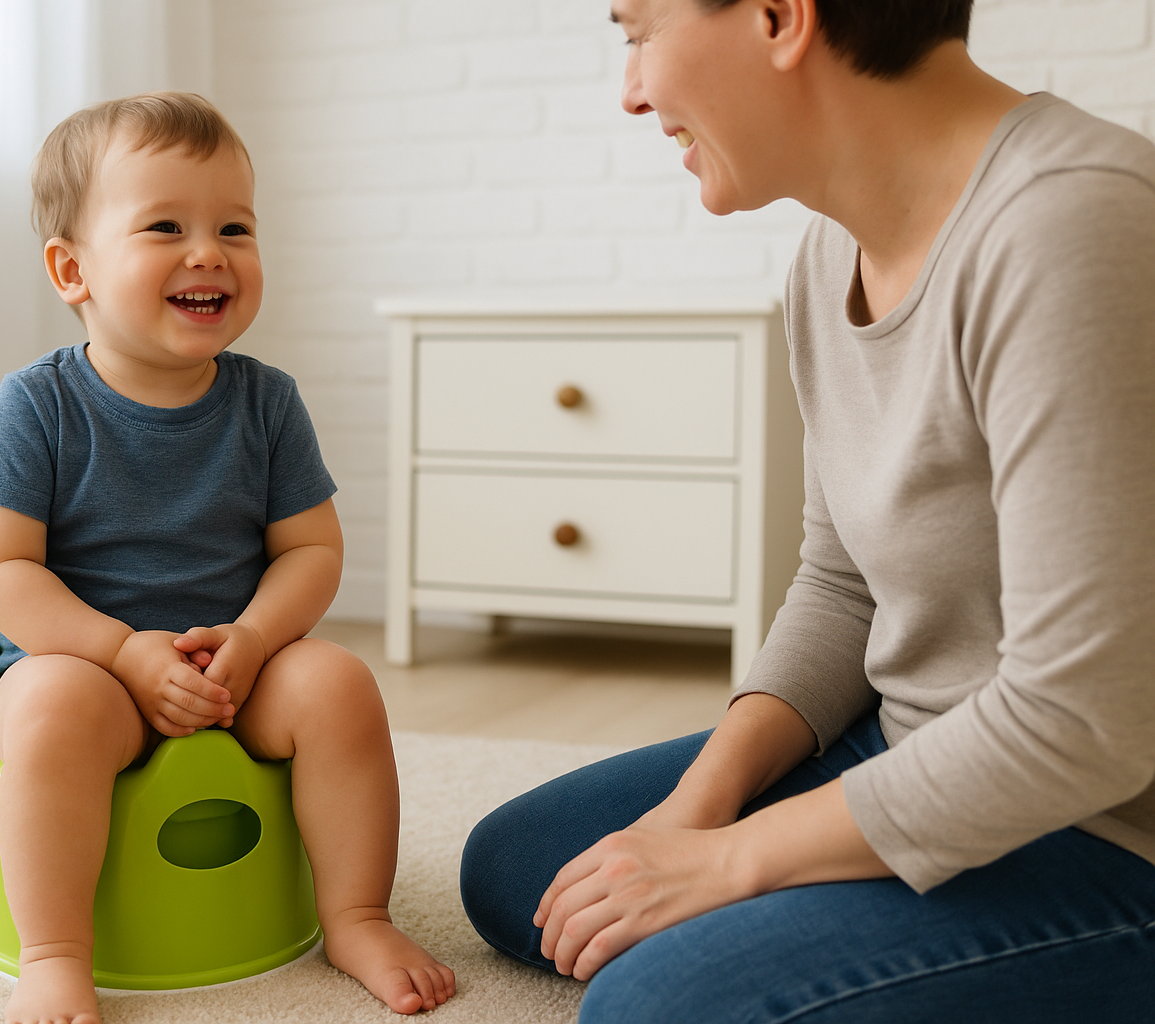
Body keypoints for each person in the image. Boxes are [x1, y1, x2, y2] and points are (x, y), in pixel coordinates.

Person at [459, 0, 1155, 1020]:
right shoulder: (830, 258)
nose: (632, 89)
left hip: (1102, 827)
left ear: (782, 16)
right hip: (922, 748)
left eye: (639, 32)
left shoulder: (1074, 225)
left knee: (652, 1007)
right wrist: (693, 812)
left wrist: (734, 861)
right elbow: (842, 586)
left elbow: (1084, 722)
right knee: (518, 867)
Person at [0, 92, 455, 1024]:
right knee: (56, 707)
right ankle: (56, 951)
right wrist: (119, 652)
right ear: (74, 270)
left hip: (234, 671)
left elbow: (310, 546)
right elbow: (0, 571)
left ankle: (353, 914)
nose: (209, 252)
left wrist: (259, 639)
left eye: (235, 226)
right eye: (164, 227)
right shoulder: (36, 406)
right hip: (85, 671)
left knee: (339, 684)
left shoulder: (268, 404)